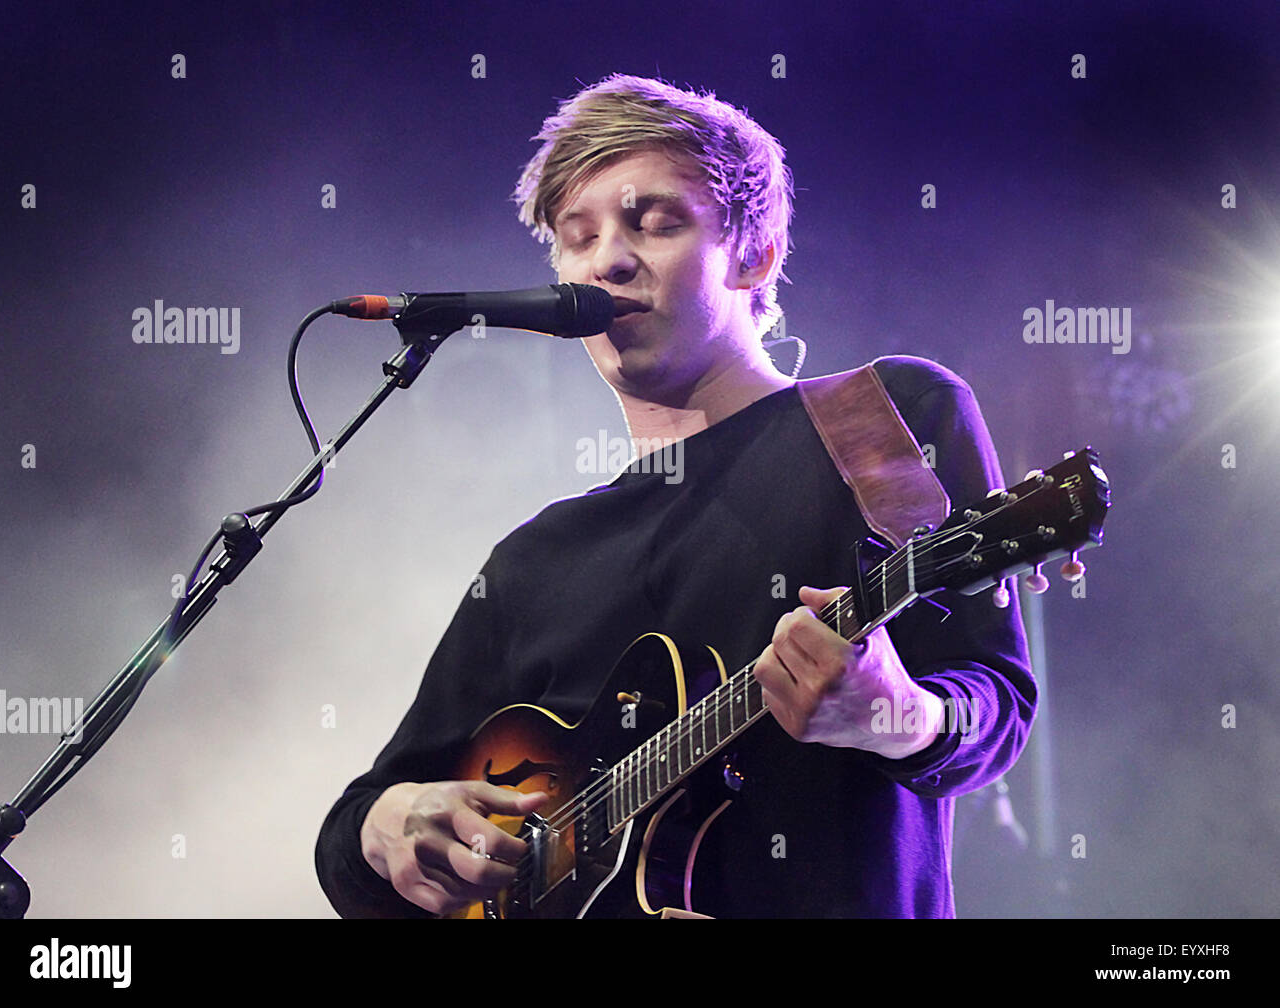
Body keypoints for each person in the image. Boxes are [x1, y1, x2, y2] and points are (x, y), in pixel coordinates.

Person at [314, 74, 1035, 918]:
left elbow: (997, 696)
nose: (608, 258)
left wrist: (899, 716)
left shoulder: (886, 417)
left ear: (755, 253)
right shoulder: (534, 561)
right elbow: (357, 833)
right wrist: (386, 823)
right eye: (577, 238)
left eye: (653, 221)